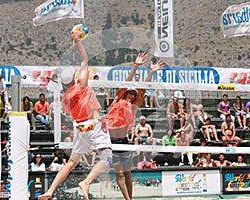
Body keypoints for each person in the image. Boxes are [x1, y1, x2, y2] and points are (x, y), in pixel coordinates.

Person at [39, 26, 112, 200]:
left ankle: (50, 191)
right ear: (74, 79)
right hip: (94, 125)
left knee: (71, 162)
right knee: (108, 158)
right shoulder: (81, 85)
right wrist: (78, 41)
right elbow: (85, 60)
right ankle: (86, 182)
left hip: (80, 128)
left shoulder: (65, 97)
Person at [106, 53, 164, 200]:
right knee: (118, 174)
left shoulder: (133, 106)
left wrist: (151, 72)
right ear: (126, 93)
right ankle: (127, 199)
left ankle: (129, 199)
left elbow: (144, 89)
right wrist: (136, 66)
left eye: (134, 94)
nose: (132, 95)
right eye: (130, 92)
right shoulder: (117, 100)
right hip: (111, 142)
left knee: (128, 173)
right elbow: (126, 82)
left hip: (124, 141)